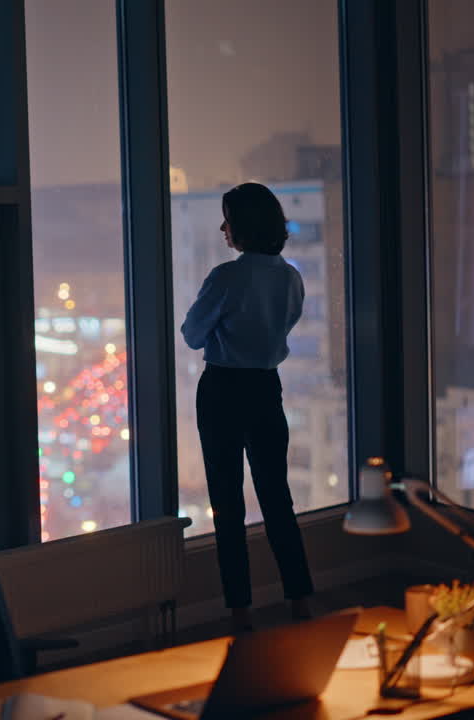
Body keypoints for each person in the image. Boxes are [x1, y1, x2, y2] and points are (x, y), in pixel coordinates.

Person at [181, 182, 315, 633]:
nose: (223, 228)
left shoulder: (226, 277)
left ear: (242, 226)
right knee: (278, 499)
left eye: (228, 219)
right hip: (265, 389)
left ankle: (240, 612)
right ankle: (301, 602)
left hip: (221, 389)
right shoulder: (291, 277)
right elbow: (285, 326)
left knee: (227, 503)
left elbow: (194, 334)